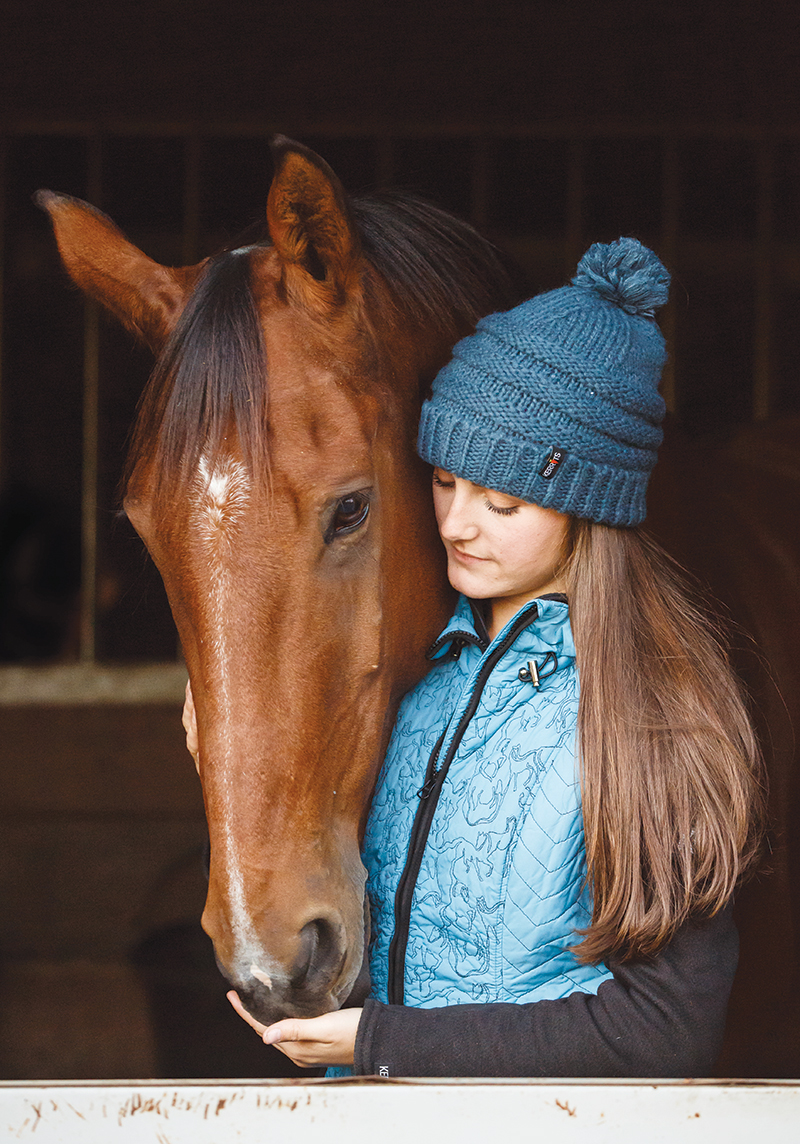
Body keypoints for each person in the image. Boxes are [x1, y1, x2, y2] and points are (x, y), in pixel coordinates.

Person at [209, 237, 764, 1076]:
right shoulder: (421, 683)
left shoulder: (653, 715)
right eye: (444, 481)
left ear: (588, 508)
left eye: (503, 500)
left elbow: (665, 1029)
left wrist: (381, 1043)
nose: (459, 524)